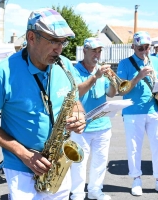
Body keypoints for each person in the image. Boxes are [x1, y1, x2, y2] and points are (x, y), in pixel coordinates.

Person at [0, 8, 86, 200]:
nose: (59, 49)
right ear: (31, 37)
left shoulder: (66, 66)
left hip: (57, 164)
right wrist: (24, 154)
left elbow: (75, 100)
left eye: (62, 42)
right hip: (21, 166)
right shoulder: (2, 73)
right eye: (53, 40)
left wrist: (79, 114)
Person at [116, 31, 158, 196]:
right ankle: (136, 180)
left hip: (153, 110)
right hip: (132, 111)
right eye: (140, 47)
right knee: (134, 148)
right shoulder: (124, 63)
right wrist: (138, 76)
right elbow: (122, 90)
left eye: (147, 47)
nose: (144, 51)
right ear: (133, 47)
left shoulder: (156, 61)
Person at [70, 38, 116, 200]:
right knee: (79, 162)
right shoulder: (74, 70)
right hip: (81, 125)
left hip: (103, 124)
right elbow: (77, 92)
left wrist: (113, 82)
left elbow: (110, 94)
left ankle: (95, 190)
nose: (97, 54)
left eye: (99, 51)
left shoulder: (100, 70)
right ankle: (77, 193)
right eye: (94, 51)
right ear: (85, 51)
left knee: (100, 161)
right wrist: (95, 77)